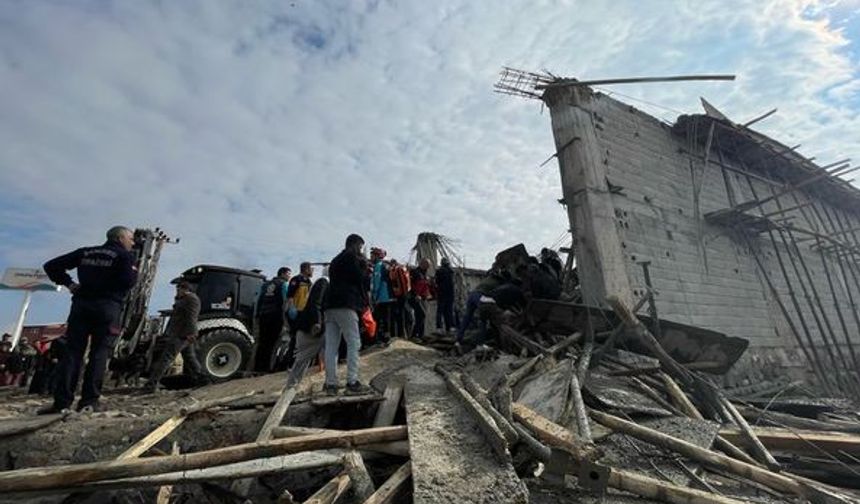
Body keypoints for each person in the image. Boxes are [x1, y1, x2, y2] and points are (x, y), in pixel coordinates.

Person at [38, 226, 138, 414]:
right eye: (131, 239)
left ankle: (61, 403)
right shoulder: (124, 256)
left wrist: (70, 284)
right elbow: (129, 282)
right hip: (108, 307)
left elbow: (51, 266)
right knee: (99, 354)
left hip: (81, 306)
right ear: (120, 238)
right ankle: (89, 402)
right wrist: (111, 289)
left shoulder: (85, 252)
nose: (133, 243)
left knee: (72, 353)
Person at [323, 234, 371, 396]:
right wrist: (364, 267)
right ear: (354, 245)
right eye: (360, 246)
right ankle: (352, 382)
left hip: (330, 306)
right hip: (346, 304)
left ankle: (331, 384)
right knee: (354, 342)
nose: (361, 250)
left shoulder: (335, 260)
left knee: (331, 346)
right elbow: (359, 279)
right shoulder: (352, 258)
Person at [143, 281, 203, 393]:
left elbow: (191, 317)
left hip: (183, 334)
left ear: (184, 289)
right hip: (181, 333)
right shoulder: (184, 300)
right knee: (190, 358)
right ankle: (202, 380)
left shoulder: (192, 299)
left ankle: (151, 384)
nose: (177, 291)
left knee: (166, 358)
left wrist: (191, 333)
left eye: (178, 289)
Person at [286, 277, 329, 387]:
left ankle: (292, 386)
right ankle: (291, 386)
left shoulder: (319, 283)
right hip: (312, 329)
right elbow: (316, 303)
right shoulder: (324, 282)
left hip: (309, 327)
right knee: (303, 359)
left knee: (304, 360)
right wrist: (317, 322)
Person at [456, 266, 507, 344]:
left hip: (472, 295)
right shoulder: (498, 284)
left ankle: (458, 339)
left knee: (467, 318)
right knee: (483, 319)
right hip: (480, 296)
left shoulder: (488, 279)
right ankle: (481, 343)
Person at [254, 267, 291, 372]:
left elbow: (259, 300)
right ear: (283, 274)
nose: (289, 276)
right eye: (288, 274)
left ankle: (257, 368)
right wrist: (286, 319)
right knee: (273, 344)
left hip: (263, 316)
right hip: (275, 317)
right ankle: (267, 369)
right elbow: (286, 302)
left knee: (262, 343)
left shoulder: (265, 284)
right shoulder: (283, 285)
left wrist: (257, 315)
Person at [281, 262, 314, 369]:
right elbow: (290, 296)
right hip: (296, 312)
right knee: (294, 339)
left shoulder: (309, 282)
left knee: (302, 339)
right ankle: (289, 364)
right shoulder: (296, 280)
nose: (312, 271)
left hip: (303, 312)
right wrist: (290, 309)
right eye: (310, 269)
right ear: (306, 269)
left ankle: (298, 363)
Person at [370, 248, 393, 344]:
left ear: (377, 256)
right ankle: (386, 337)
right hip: (388, 296)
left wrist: (374, 296)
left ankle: (378, 339)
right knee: (386, 317)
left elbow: (377, 282)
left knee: (377, 318)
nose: (371, 257)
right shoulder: (386, 265)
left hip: (381, 297)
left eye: (372, 255)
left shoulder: (378, 266)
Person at [409, 259, 432, 339]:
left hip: (422, 298)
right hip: (413, 297)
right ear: (422, 264)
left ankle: (420, 336)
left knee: (422, 316)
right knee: (421, 314)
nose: (428, 267)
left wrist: (427, 295)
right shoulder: (415, 272)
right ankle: (414, 335)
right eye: (427, 265)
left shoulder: (424, 274)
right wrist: (415, 295)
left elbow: (424, 287)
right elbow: (410, 285)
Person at [388, 259, 411, 339]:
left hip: (400, 295)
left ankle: (401, 333)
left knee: (400, 314)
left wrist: (403, 294)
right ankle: (402, 333)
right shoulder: (401, 269)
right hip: (401, 295)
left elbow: (401, 282)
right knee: (401, 314)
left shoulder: (398, 270)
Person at [434, 257, 456, 333]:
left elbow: (436, 282)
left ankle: (439, 328)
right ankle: (449, 327)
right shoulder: (451, 271)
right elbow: (453, 283)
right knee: (449, 311)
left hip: (441, 294)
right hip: (450, 294)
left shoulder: (439, 271)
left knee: (440, 311)